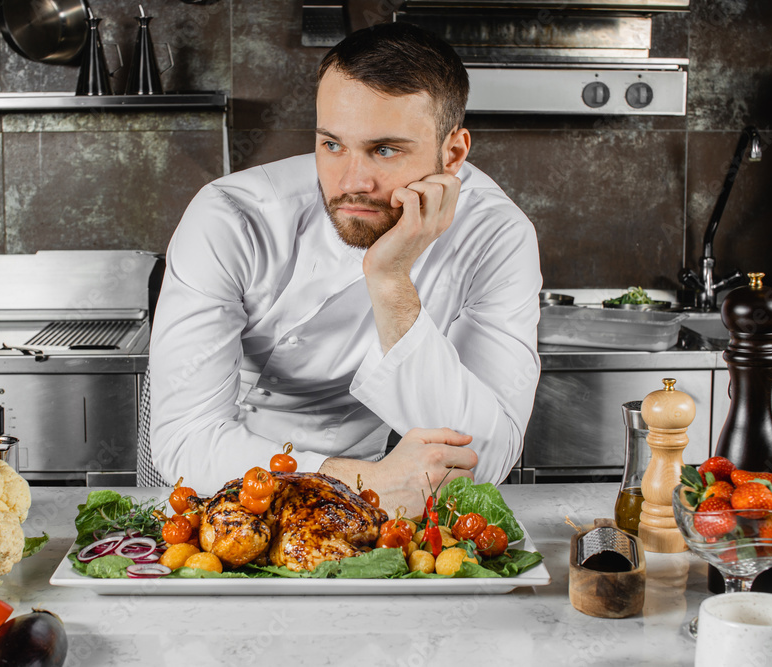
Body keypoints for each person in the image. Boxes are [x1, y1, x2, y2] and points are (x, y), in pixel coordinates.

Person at [138, 22, 542, 512]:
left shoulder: (496, 235)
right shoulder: (231, 217)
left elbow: (485, 460)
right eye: (332, 145)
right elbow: (186, 443)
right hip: (222, 470)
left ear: (453, 153)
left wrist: (391, 282)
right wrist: (359, 481)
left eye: (385, 150)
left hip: (369, 483)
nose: (352, 183)